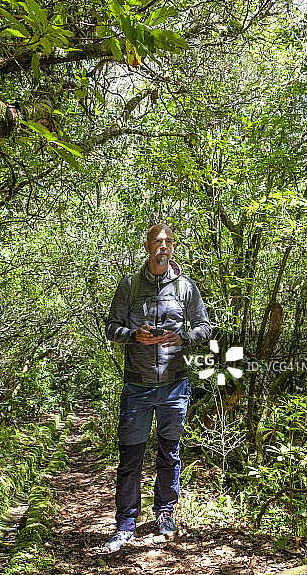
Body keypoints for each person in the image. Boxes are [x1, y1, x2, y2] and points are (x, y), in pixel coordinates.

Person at [102, 223, 212, 553]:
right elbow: (110, 328)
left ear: (173, 247)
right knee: (131, 457)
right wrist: (134, 335)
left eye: (167, 241)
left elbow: (204, 326)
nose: (162, 246)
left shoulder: (185, 287)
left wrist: (185, 338)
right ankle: (125, 525)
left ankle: (165, 515)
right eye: (157, 241)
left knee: (170, 453)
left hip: (175, 385)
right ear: (148, 246)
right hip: (137, 385)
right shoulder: (130, 286)